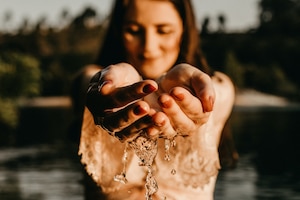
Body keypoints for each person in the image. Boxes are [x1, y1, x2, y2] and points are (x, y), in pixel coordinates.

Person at [75, 0, 236, 199]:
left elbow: (217, 92)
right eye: (133, 31)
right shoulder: (93, 83)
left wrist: (195, 93)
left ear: (184, 31)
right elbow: (86, 84)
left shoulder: (219, 87)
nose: (148, 49)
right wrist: (108, 85)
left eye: (164, 31)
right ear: (118, 31)